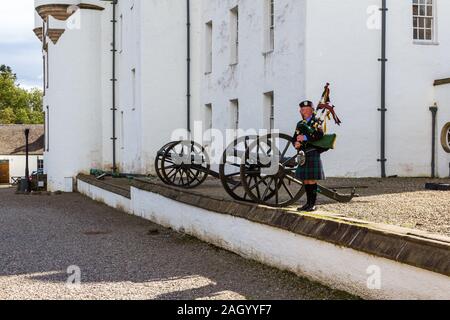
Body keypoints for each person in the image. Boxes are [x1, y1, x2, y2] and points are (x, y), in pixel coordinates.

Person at [293, 100, 326, 212]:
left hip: (312, 152)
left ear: (312, 110)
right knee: (306, 180)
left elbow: (320, 135)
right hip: (303, 153)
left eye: (307, 110)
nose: (304, 111)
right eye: (302, 110)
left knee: (311, 180)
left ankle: (313, 204)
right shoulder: (300, 124)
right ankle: (307, 203)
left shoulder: (316, 121)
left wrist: (305, 138)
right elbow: (295, 137)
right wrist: (296, 144)